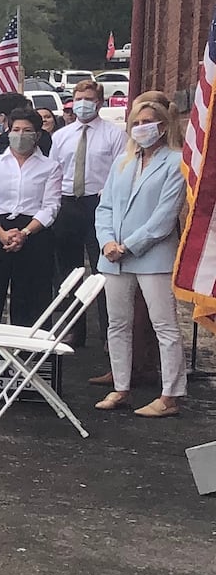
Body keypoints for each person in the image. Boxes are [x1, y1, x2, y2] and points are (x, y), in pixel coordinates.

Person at [94, 96, 188, 417]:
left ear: (162, 126)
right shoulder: (123, 162)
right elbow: (104, 207)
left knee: (164, 324)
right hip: (114, 257)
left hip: (152, 255)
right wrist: (107, 241)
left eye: (147, 122)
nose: (141, 128)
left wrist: (129, 245)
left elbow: (164, 217)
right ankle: (121, 387)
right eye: (135, 123)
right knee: (117, 324)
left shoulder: (176, 162)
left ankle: (170, 395)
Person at [0, 108, 62, 351]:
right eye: (16, 130)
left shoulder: (50, 167)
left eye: (27, 131)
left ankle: (30, 362)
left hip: (33, 233)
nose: (21, 135)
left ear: (37, 135)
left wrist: (25, 233)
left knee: (32, 300)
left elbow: (51, 206)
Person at [47, 79, 126, 347]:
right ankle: (74, 330)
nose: (82, 104)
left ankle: (107, 332)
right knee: (70, 272)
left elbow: (120, 172)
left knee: (102, 269)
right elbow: (54, 173)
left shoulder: (114, 135)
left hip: (98, 204)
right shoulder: (61, 136)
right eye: (78, 98)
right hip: (68, 204)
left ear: (99, 102)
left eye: (88, 99)